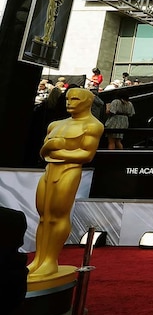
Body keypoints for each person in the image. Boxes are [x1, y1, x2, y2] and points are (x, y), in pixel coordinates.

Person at [28, 88, 104, 279]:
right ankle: (39, 259)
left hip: (69, 171)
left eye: (75, 99)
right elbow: (43, 152)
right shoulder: (55, 124)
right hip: (49, 170)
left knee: (58, 215)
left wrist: (55, 149)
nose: (69, 102)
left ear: (87, 102)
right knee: (44, 216)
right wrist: (53, 147)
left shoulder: (93, 125)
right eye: (68, 99)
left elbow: (86, 155)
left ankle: (50, 260)